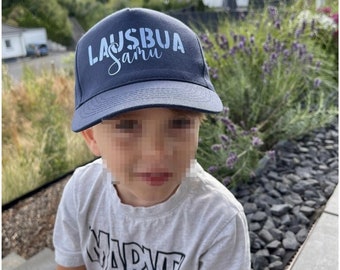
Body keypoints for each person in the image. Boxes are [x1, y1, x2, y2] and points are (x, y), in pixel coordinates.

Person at [53, 7, 250, 270]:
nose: (157, 153)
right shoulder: (81, 191)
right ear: (91, 137)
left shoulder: (220, 220)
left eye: (179, 123)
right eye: (127, 125)